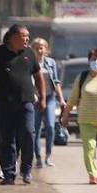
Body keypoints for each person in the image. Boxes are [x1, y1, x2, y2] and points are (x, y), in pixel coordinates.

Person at [0, 24, 46, 185]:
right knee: (6, 138)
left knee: (28, 133)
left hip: (26, 102)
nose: (27, 39)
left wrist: (42, 97)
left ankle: (26, 170)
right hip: (4, 103)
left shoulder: (29, 53)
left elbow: (38, 77)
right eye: (24, 36)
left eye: (28, 36)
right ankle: (9, 174)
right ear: (13, 37)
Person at [62, 48, 97, 185]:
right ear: (89, 61)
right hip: (86, 118)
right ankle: (92, 174)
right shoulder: (83, 77)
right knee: (89, 147)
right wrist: (66, 114)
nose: (96, 62)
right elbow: (73, 98)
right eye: (93, 59)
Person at [31, 38, 66, 168]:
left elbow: (56, 82)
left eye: (42, 47)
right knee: (36, 129)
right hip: (35, 99)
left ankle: (48, 155)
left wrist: (61, 99)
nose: (39, 50)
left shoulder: (51, 63)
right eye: (37, 48)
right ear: (33, 49)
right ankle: (38, 157)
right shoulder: (30, 63)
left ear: (46, 50)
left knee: (51, 126)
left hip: (50, 98)